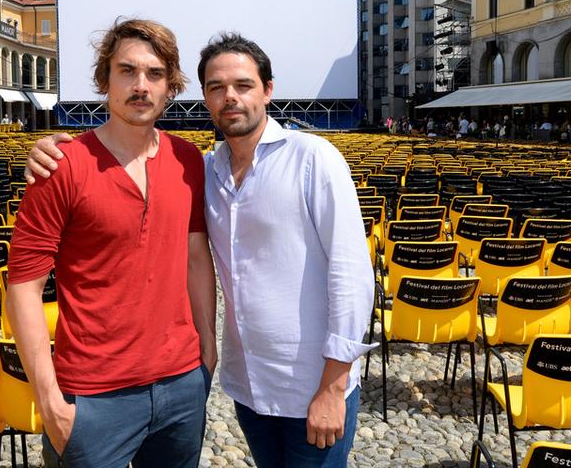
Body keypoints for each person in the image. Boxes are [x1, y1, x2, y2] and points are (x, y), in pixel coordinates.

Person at [27, 32, 375, 468]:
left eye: (243, 85)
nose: (230, 97)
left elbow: (353, 277)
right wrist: (49, 148)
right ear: (204, 99)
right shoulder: (204, 167)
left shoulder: (314, 158)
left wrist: (333, 385)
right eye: (216, 88)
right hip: (249, 389)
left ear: (267, 89)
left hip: (312, 385)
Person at [8, 19, 216, 468]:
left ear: (170, 86)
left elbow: (196, 259)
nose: (141, 86)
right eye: (127, 71)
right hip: (91, 396)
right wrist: (50, 403)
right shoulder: (61, 166)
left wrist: (208, 350)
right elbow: (23, 287)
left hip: (182, 385)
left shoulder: (188, 160)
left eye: (155, 74)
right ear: (105, 80)